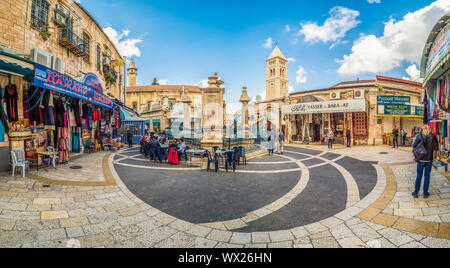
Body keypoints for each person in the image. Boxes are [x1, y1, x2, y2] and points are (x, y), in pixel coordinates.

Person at [412, 126, 438, 199]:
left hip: (421, 159)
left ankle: (416, 193)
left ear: (422, 130)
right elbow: (436, 148)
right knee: (427, 176)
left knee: (419, 176)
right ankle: (425, 193)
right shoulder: (433, 136)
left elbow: (414, 146)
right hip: (429, 159)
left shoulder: (419, 136)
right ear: (429, 129)